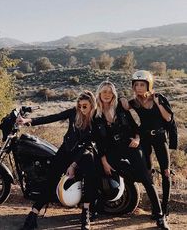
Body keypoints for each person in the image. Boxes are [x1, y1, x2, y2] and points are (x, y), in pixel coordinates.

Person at [92, 80, 170, 230]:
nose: (107, 95)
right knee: (101, 168)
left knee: (147, 179)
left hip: (131, 144)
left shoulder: (121, 107)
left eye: (110, 91)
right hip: (112, 150)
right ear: (99, 94)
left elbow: (136, 126)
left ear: (113, 94)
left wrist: (137, 138)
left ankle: (160, 216)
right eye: (104, 92)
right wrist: (104, 161)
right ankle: (94, 208)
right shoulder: (96, 115)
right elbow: (98, 142)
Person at [17, 90, 97, 230]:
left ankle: (86, 215)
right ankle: (33, 214)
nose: (81, 109)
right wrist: (28, 121)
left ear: (92, 105)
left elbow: (88, 144)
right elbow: (53, 117)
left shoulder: (96, 119)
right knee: (51, 179)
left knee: (90, 172)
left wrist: (73, 165)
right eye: (79, 106)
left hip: (83, 154)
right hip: (66, 151)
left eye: (85, 106)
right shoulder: (74, 113)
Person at [121, 70, 177, 221]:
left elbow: (169, 118)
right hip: (145, 139)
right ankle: (155, 207)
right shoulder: (135, 102)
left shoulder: (158, 98)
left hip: (159, 138)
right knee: (147, 172)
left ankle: (164, 208)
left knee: (166, 172)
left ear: (149, 85)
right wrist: (122, 101)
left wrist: (158, 104)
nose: (139, 87)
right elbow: (124, 109)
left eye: (142, 84)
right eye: (136, 85)